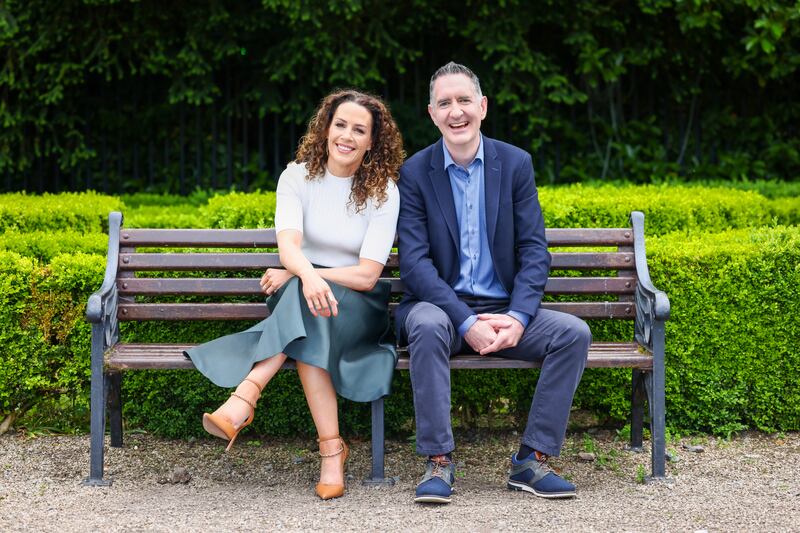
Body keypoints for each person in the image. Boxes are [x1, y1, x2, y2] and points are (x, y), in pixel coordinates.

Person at [185, 89, 404, 500]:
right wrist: (304, 273)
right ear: (326, 128)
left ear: (372, 141)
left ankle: (245, 396)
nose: (347, 136)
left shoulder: (384, 192)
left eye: (360, 130)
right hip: (305, 301)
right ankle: (331, 451)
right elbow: (289, 245)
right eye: (340, 124)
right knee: (311, 318)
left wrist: (299, 273)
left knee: (308, 306)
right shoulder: (296, 177)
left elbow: (368, 275)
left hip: (358, 306)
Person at [396, 62, 591, 504]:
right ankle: (438, 463)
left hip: (503, 310)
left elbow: (534, 251)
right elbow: (415, 265)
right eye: (444, 103)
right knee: (424, 325)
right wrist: (466, 321)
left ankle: (531, 460)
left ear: (482, 107)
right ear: (431, 113)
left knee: (573, 334)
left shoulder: (515, 163)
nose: (456, 111)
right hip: (441, 311)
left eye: (464, 100)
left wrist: (520, 317)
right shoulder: (414, 172)